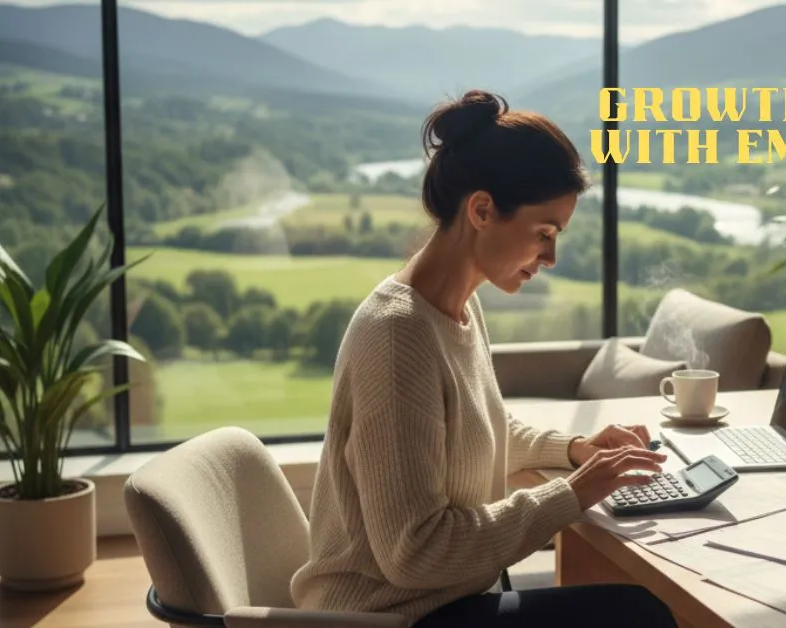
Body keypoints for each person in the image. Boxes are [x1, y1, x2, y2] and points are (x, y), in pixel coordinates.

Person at [289, 89, 679, 628]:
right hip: (390, 617)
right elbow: (416, 552)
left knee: (625, 602)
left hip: (443, 602)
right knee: (638, 613)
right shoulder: (400, 335)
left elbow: (476, 431)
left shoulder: (455, 307)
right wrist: (573, 493)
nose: (551, 257)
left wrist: (576, 450)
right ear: (482, 210)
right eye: (544, 233)